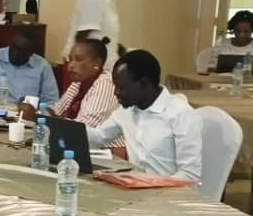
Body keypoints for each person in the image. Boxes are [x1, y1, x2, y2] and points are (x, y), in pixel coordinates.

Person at [87, 49, 203, 183]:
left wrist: (152, 185)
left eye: (121, 87)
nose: (116, 92)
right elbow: (99, 137)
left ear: (144, 84)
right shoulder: (126, 111)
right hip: (137, 188)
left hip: (170, 194)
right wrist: (63, 126)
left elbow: (190, 174)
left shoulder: (180, 114)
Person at [22, 37, 123, 145]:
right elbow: (56, 111)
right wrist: (34, 109)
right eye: (70, 59)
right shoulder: (79, 81)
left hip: (108, 153)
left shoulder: (105, 84)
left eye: (78, 60)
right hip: (76, 144)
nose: (70, 65)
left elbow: (83, 129)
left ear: (97, 63)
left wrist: (37, 117)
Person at [196, 10, 253, 74]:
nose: (241, 35)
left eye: (246, 31)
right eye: (238, 31)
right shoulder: (221, 44)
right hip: (222, 84)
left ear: (252, 30)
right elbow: (211, 69)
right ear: (232, 29)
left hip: (251, 84)